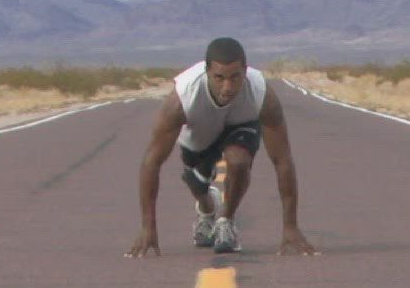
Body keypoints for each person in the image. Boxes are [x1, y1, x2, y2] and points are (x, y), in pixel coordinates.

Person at [126, 37, 317, 258]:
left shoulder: (262, 94)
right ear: (207, 72)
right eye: (219, 78)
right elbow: (152, 161)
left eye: (235, 77)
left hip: (240, 124)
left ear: (245, 71)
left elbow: (282, 160)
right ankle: (206, 208)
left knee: (239, 162)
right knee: (197, 184)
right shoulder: (183, 98)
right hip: (199, 132)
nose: (227, 88)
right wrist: (148, 227)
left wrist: (290, 227)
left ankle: (226, 220)